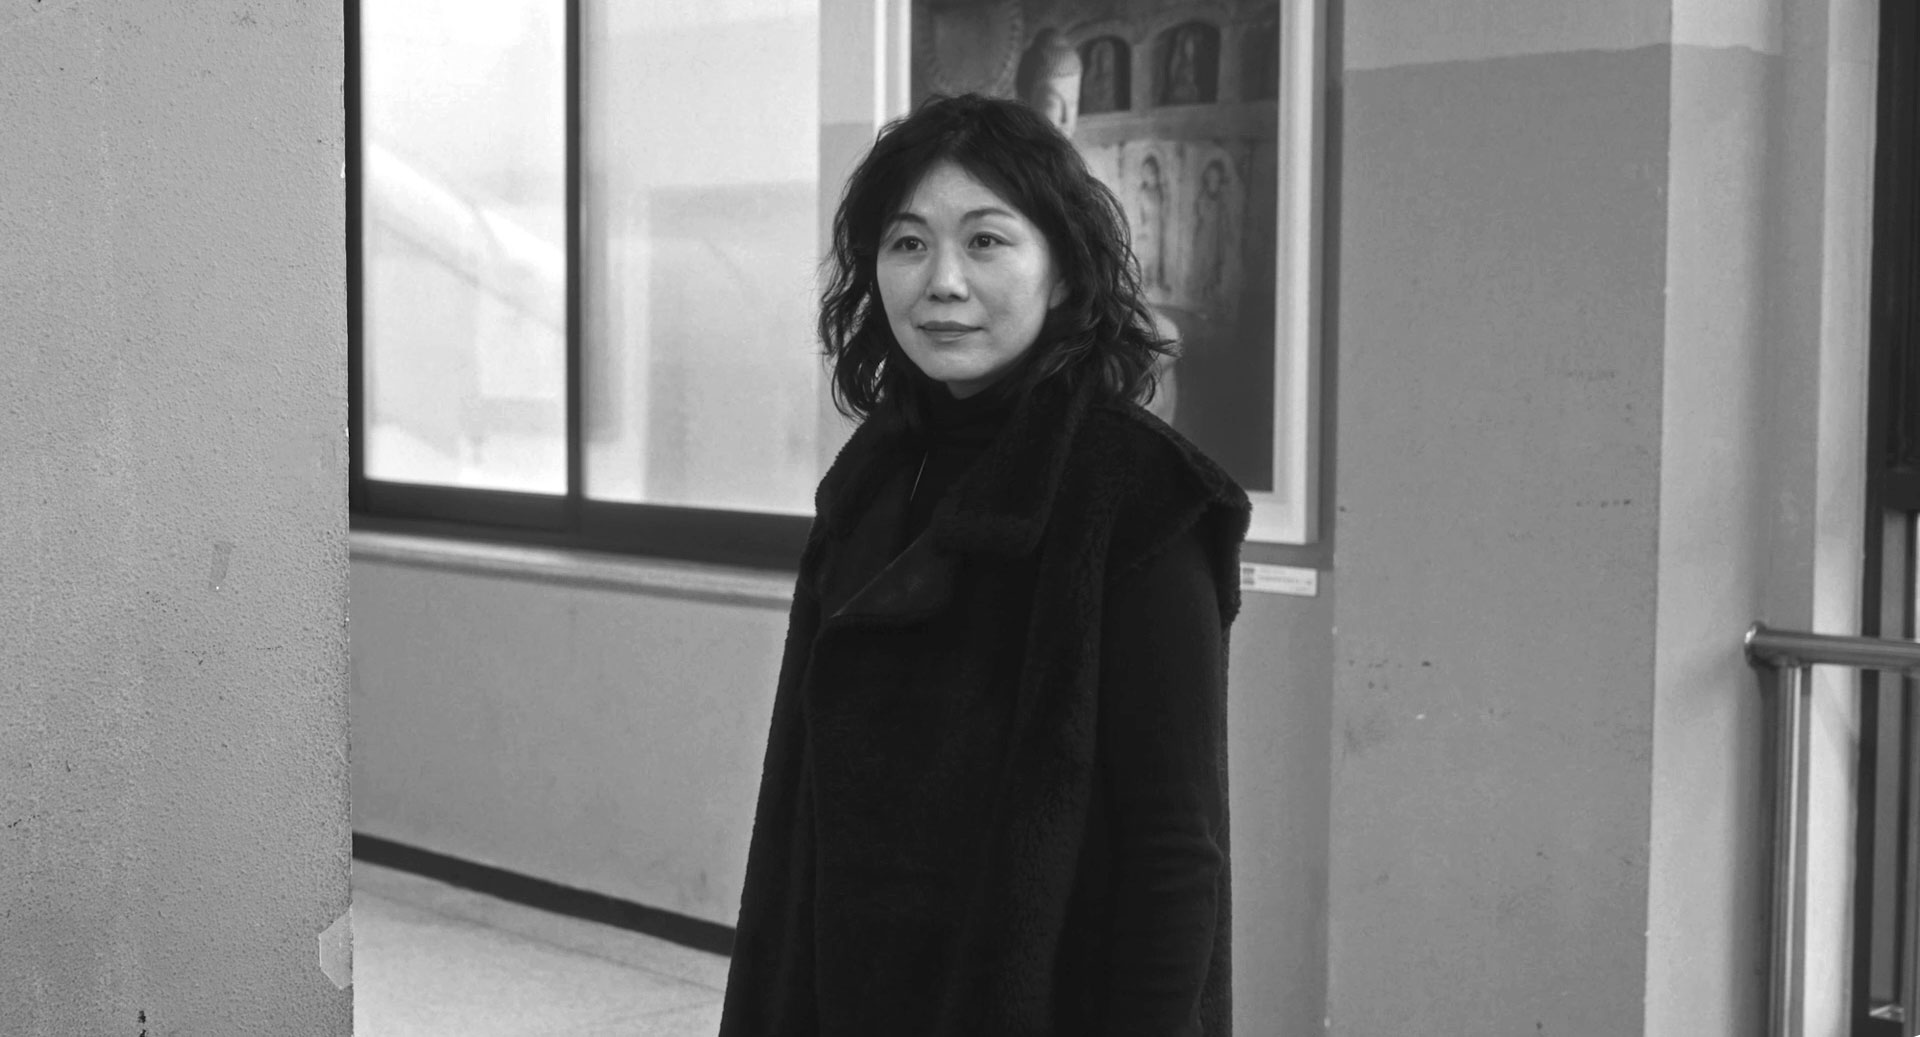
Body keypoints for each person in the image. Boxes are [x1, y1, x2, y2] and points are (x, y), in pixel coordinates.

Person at [717, 93, 1249, 1037]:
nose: (943, 282)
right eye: (908, 243)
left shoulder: (1139, 492)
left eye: (987, 241)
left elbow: (1177, 846)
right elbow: (795, 809)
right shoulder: (875, 475)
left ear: (1064, 266)